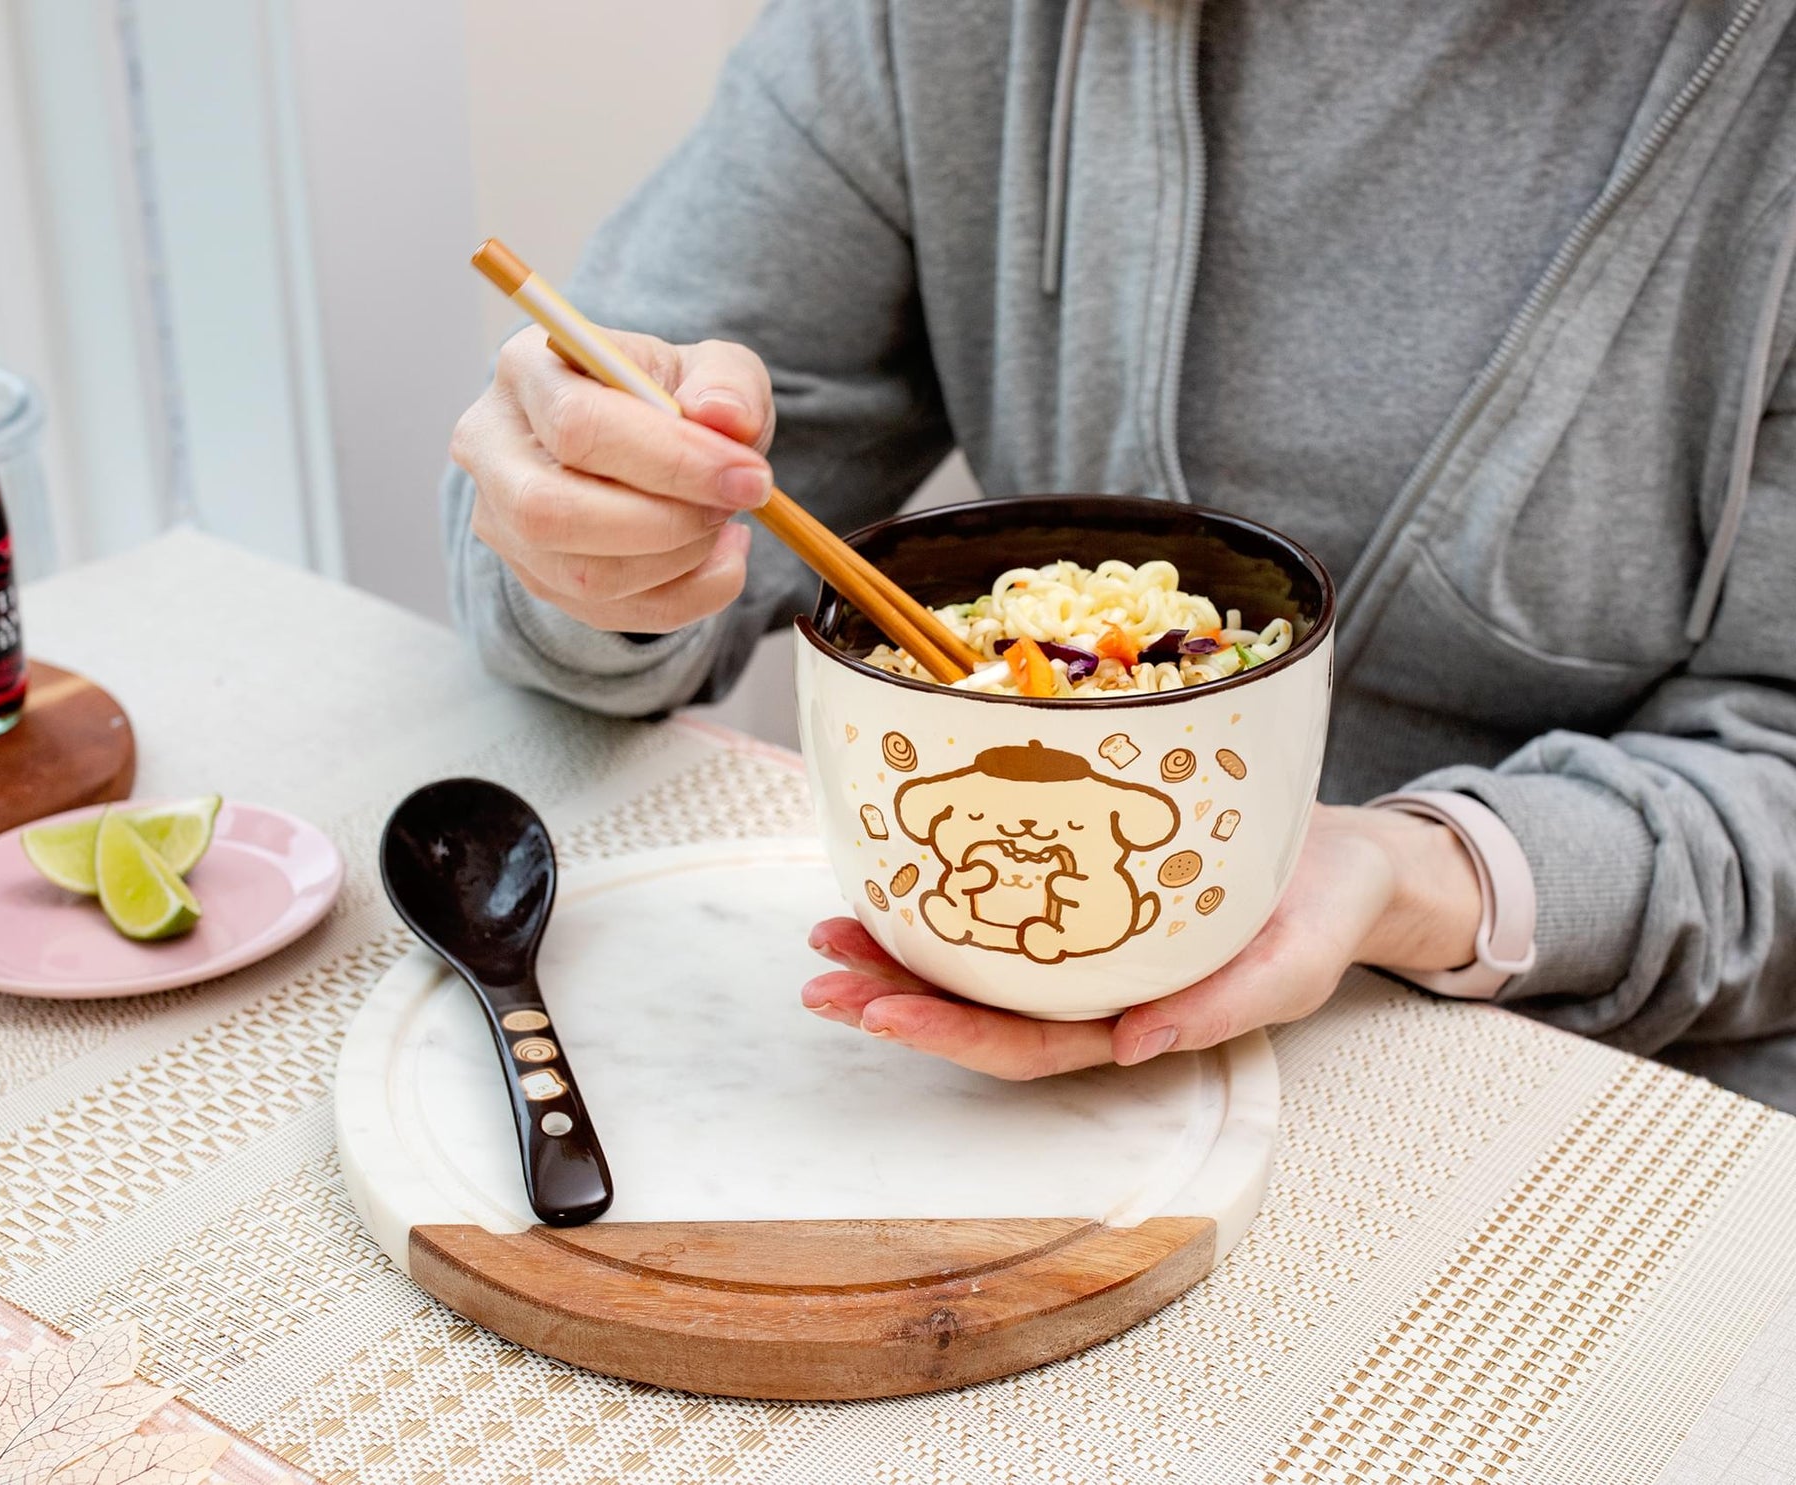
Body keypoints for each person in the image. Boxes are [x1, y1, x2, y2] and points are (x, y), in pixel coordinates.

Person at [445, 0, 1796, 1109]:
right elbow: (577, 473)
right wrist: (593, 537)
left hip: (1612, 1085)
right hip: (1018, 1049)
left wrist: (1410, 874)